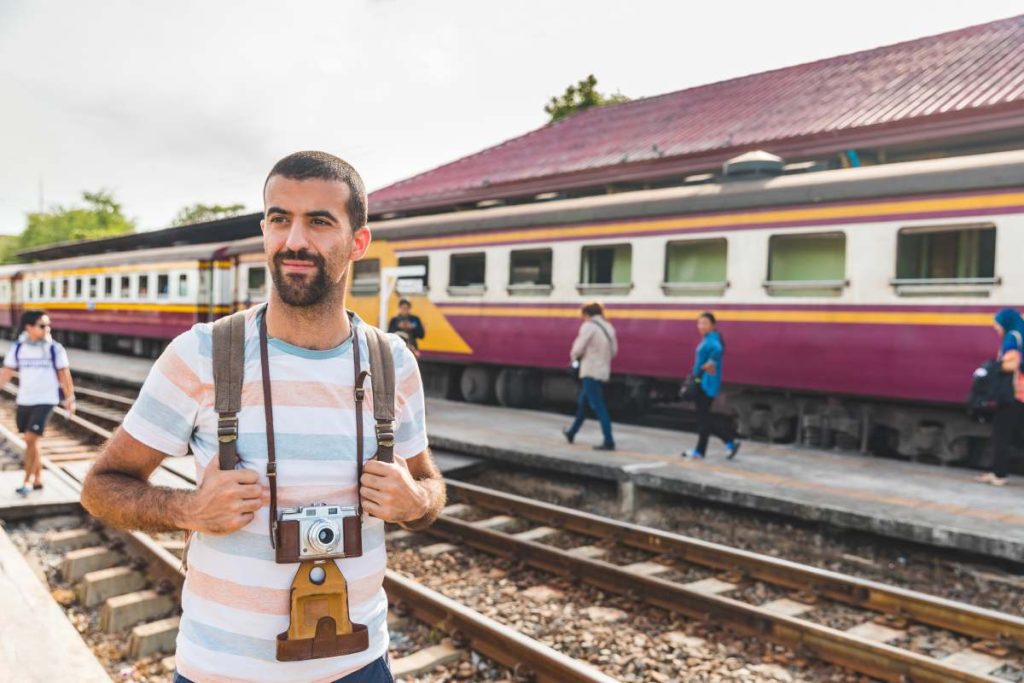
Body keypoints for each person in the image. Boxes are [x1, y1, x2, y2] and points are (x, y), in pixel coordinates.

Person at [81, 151, 447, 683]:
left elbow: (429, 488)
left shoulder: (392, 362)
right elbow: (100, 487)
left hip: (360, 667)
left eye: (319, 221)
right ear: (265, 231)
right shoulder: (202, 355)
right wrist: (189, 510)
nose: (294, 240)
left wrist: (415, 501)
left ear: (358, 242)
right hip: (222, 672)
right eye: (280, 219)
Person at [0, 310, 76, 496]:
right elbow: (7, 372)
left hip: (47, 399)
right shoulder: (18, 347)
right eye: (42, 325)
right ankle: (39, 477)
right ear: (29, 327)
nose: (47, 329)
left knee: (30, 439)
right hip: (25, 399)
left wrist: (70, 398)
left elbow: (64, 374)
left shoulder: (54, 348)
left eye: (48, 325)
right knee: (33, 442)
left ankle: (27, 481)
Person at [975, 308, 1024, 486]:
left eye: (997, 322)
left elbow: (1013, 363)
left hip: (1013, 393)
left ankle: (999, 475)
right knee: (1013, 434)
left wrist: (992, 369)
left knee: (1001, 434)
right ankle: (997, 472)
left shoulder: (1012, 336)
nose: (995, 327)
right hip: (1019, 393)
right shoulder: (1021, 333)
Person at [683, 312, 740, 460]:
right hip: (703, 382)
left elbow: (718, 350)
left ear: (713, 325)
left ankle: (703, 451)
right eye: (699, 323)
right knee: (704, 418)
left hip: (705, 384)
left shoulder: (712, 340)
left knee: (704, 418)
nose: (701, 326)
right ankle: (728, 443)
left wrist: (708, 365)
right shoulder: (708, 338)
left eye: (705, 323)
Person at [563, 301, 618, 451]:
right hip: (602, 371)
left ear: (587, 314)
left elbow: (578, 348)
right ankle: (572, 433)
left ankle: (609, 441)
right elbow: (614, 351)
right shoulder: (609, 327)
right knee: (583, 403)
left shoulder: (589, 326)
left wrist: (574, 358)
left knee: (598, 406)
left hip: (589, 371)